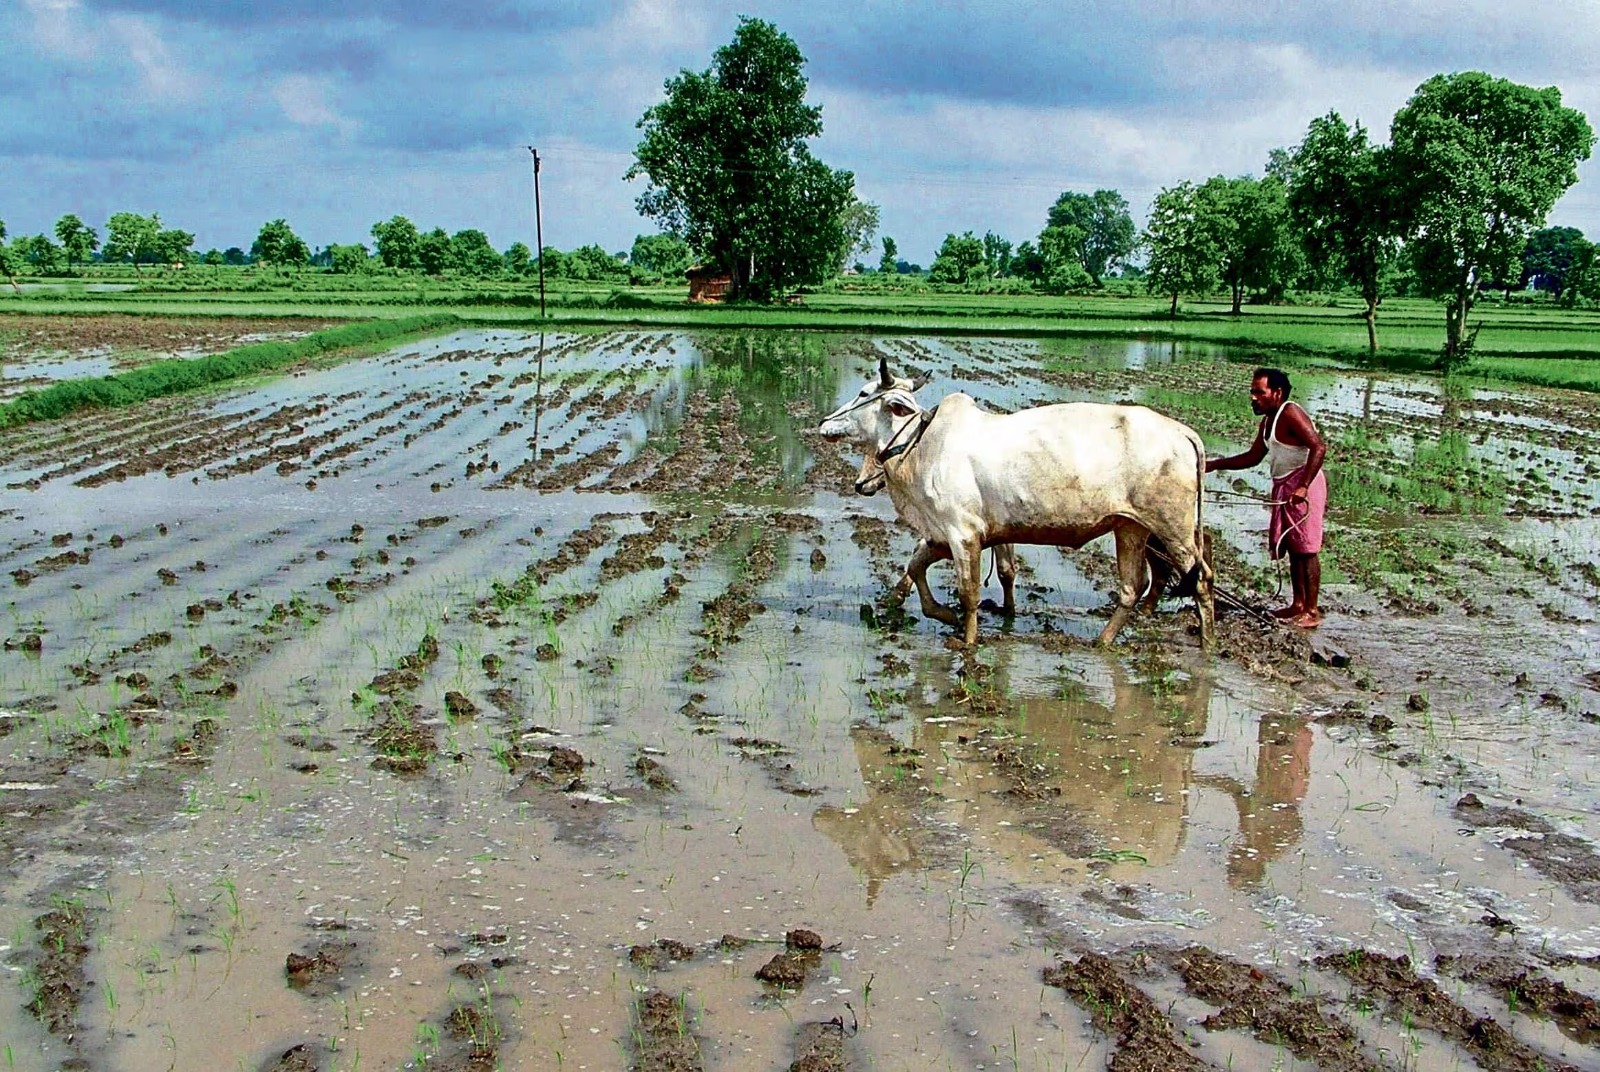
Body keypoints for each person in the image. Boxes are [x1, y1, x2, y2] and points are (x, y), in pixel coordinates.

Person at [1206, 367, 1327, 628]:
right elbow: (1252, 457)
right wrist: (1215, 464)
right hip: (1285, 485)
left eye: (1259, 392)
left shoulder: (1290, 412)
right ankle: (1298, 604)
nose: (1253, 397)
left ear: (1277, 392)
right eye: (1252, 392)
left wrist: (1304, 486)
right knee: (1294, 547)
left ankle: (1312, 610)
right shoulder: (1268, 422)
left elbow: (1318, 447)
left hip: (1304, 483)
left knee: (1306, 549)